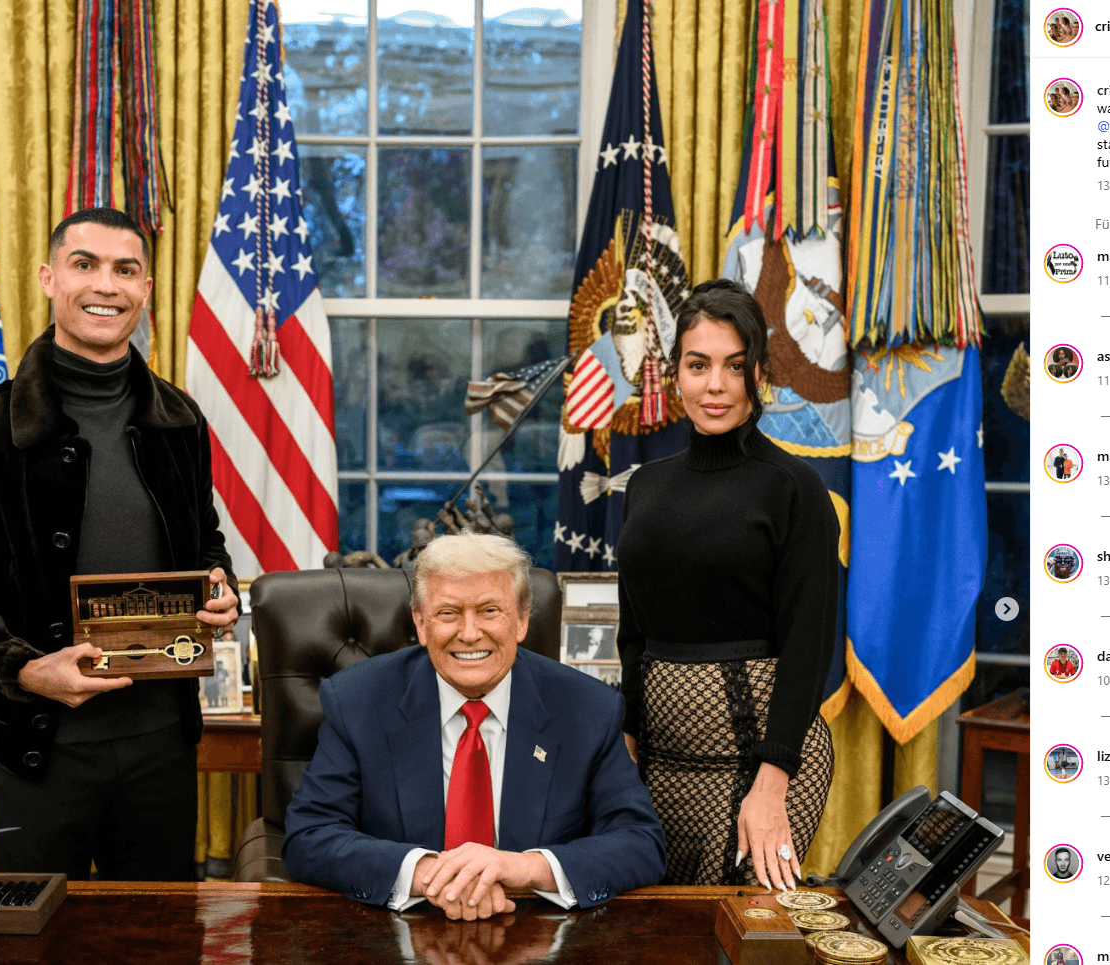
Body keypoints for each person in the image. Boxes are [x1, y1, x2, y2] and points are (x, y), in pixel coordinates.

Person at [0, 207, 239, 879]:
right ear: (49, 278)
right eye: (85, 265)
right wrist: (24, 669)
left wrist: (218, 582)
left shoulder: (180, 421)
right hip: (36, 747)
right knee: (38, 944)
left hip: (162, 747)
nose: (106, 285)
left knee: (155, 946)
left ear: (146, 289)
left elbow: (204, 540)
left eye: (126, 269)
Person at [283, 532, 665, 919]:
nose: (469, 634)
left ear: (521, 619)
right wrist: (428, 873)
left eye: (489, 611)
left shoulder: (587, 709)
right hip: (398, 930)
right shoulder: (357, 701)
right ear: (420, 622)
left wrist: (523, 868)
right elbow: (310, 834)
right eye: (448, 613)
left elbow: (640, 842)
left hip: (536, 933)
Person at [616, 279, 839, 891]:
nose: (715, 386)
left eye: (734, 367)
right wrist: (625, 747)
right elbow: (633, 636)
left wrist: (772, 783)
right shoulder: (644, 486)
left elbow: (808, 645)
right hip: (654, 763)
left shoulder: (794, 487)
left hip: (762, 764)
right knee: (649, 935)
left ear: (759, 374)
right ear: (675, 373)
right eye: (699, 365)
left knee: (732, 933)